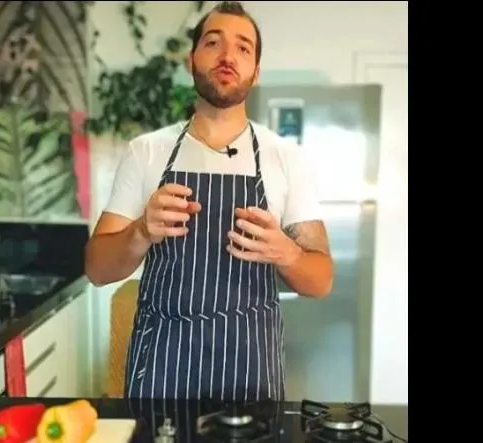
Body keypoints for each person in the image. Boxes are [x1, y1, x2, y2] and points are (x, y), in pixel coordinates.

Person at [84, 1, 334, 401]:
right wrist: (141, 231)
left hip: (252, 373)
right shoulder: (146, 152)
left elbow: (321, 280)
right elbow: (97, 270)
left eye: (243, 48)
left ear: (255, 72)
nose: (227, 56)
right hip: (162, 368)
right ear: (192, 59)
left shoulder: (284, 158)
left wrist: (285, 252)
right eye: (213, 42)